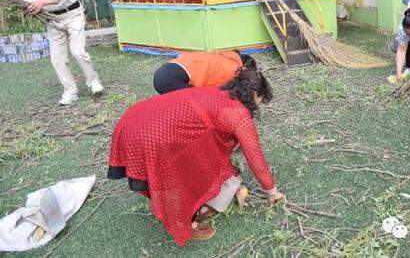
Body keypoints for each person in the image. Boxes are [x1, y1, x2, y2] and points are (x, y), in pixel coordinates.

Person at [107, 68, 284, 246]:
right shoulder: (238, 114)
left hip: (133, 118)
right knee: (173, 175)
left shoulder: (215, 91)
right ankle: (186, 224)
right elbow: (255, 158)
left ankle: (196, 206)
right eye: (259, 101)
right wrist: (272, 191)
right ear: (254, 94)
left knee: (189, 162)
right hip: (153, 136)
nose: (257, 107)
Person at [16, 0, 103, 105]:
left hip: (72, 14)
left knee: (78, 51)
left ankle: (94, 82)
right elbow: (28, 0)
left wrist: (42, 3)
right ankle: (70, 92)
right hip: (51, 19)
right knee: (57, 58)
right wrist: (29, 8)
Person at [153, 50, 257, 94]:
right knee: (198, 104)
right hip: (173, 78)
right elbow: (217, 90)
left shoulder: (224, 55)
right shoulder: (233, 68)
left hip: (164, 72)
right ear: (245, 68)